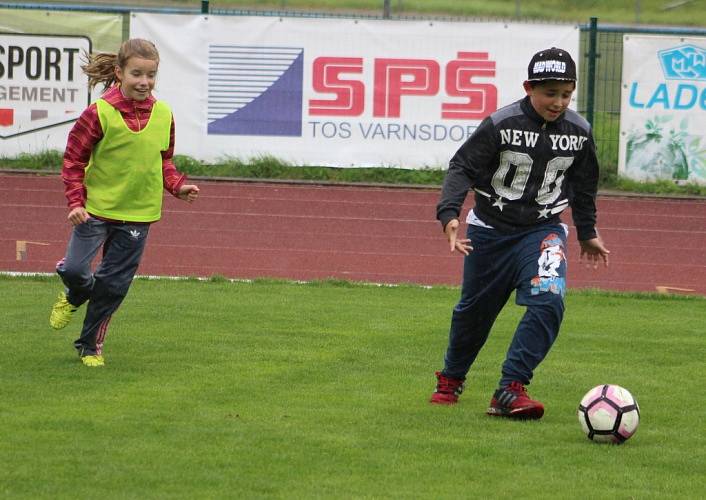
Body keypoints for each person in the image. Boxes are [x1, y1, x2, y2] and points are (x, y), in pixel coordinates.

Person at [429, 47, 610, 419]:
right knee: (474, 313)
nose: (558, 102)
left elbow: (585, 184)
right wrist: (449, 214)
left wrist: (587, 232)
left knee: (549, 300)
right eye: (550, 93)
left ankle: (511, 388)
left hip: (543, 230)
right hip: (488, 233)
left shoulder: (580, 131)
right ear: (529, 87)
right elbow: (461, 167)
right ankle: (451, 377)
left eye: (566, 94)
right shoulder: (500, 123)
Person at [49, 38, 200, 367]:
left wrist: (177, 186)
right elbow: (74, 160)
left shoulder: (164, 114)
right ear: (119, 73)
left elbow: (164, 161)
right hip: (95, 210)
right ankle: (75, 293)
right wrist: (76, 202)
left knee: (113, 285)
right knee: (76, 270)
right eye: (137, 74)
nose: (144, 82)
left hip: (138, 214)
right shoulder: (98, 113)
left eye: (151, 75)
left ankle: (90, 346)